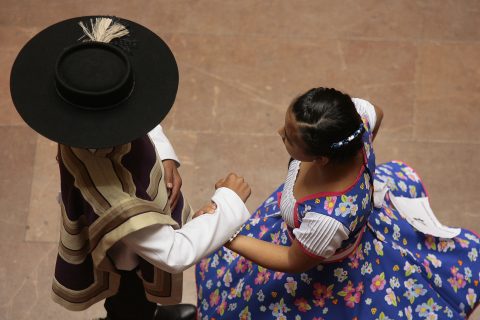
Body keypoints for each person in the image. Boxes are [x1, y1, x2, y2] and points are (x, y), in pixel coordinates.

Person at [10, 16, 252, 320]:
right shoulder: (117, 200)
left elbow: (136, 113)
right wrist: (227, 201)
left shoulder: (75, 122)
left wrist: (165, 154)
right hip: (127, 249)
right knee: (128, 298)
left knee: (136, 295)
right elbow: (176, 253)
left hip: (133, 230)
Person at [196, 87, 480, 319]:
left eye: (290, 137)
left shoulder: (327, 220)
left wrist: (230, 237)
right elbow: (375, 111)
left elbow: (292, 260)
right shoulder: (355, 125)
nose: (279, 132)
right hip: (315, 233)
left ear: (321, 159)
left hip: (317, 260)